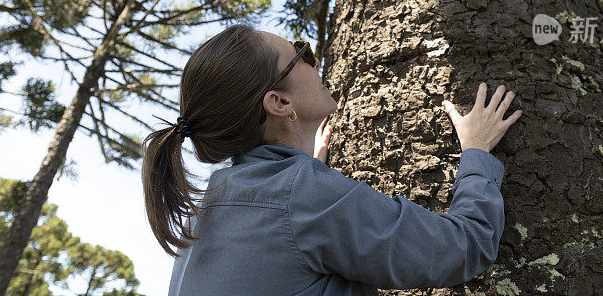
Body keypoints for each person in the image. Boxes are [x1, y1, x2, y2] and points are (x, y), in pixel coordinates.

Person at [141, 23, 523, 295]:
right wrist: (476, 152)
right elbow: (464, 246)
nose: (316, 62)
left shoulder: (204, 210)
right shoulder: (305, 196)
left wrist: (308, 163)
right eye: (301, 55)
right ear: (279, 103)